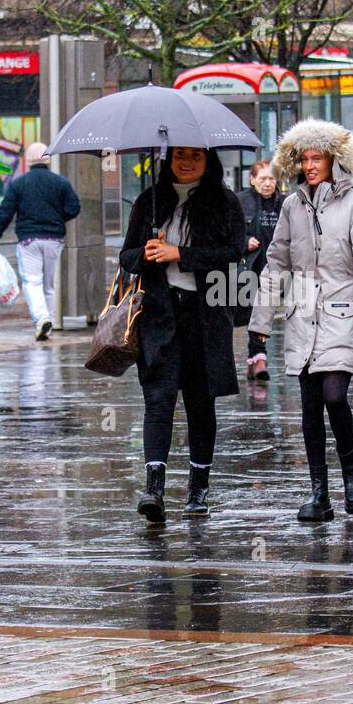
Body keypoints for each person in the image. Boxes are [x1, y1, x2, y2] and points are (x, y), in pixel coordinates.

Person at [249, 120, 353, 523]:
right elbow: (275, 265)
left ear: (334, 160)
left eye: (317, 158)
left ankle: (350, 469)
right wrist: (261, 322)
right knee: (309, 408)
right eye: (304, 158)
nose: (310, 165)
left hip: (345, 314)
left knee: (334, 395)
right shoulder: (292, 206)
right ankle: (319, 493)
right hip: (302, 314)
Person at [119, 146, 246, 523]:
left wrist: (181, 254)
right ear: (168, 159)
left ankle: (198, 487)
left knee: (199, 400)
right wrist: (146, 253)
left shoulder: (224, 203)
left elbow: (234, 251)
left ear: (209, 162)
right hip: (159, 316)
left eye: (195, 156)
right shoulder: (149, 201)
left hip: (204, 316)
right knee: (157, 399)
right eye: (179, 156)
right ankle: (154, 488)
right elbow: (126, 256)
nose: (186, 162)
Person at [0, 142, 81, 341]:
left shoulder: (19, 184)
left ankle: (41, 318)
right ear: (47, 158)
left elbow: (5, 212)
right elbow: (74, 207)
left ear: (28, 160)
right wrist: (57, 219)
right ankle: (49, 321)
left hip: (29, 240)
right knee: (48, 284)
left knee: (32, 281)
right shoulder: (60, 183)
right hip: (54, 239)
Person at [236, 159, 285, 380]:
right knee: (254, 313)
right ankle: (258, 357)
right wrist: (244, 241)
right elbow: (227, 233)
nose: (267, 183)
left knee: (263, 313)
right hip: (249, 269)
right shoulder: (240, 202)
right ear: (252, 179)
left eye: (271, 178)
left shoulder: (285, 203)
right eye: (263, 178)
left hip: (276, 269)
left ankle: (256, 358)